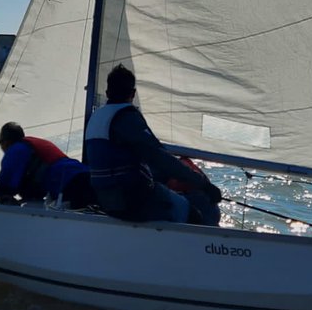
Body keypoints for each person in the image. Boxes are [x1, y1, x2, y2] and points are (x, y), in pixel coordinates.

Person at [84, 64, 222, 224]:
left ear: (108, 92)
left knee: (169, 193)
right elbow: (159, 158)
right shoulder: (127, 118)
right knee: (197, 214)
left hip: (105, 200)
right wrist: (204, 185)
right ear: (133, 93)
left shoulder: (96, 118)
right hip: (132, 201)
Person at [0, 122, 95, 208]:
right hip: (88, 177)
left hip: (71, 184)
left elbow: (5, 182)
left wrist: (0, 194)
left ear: (5, 142)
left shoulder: (17, 149)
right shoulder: (33, 145)